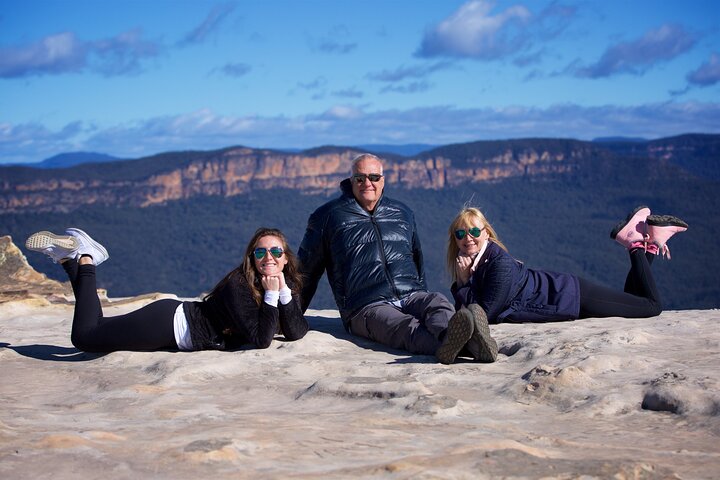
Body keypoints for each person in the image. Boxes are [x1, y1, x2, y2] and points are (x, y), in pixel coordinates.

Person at [298, 153, 497, 365]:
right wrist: (289, 316)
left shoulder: (402, 213)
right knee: (406, 326)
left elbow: (417, 259)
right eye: (360, 178)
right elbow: (305, 271)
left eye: (374, 177)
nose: (368, 183)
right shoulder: (328, 217)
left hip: (411, 293)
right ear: (351, 181)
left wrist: (421, 291)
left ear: (383, 180)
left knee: (437, 303)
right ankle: (468, 346)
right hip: (366, 305)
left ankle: (454, 340)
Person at [25, 226, 308, 353]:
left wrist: (282, 292)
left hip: (171, 325)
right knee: (85, 338)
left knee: (97, 326)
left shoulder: (287, 283)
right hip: (169, 325)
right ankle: (87, 258)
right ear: (252, 256)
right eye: (260, 253)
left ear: (285, 256)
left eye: (275, 251)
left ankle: (68, 259)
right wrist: (271, 295)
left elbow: (295, 331)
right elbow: (261, 339)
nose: (268, 258)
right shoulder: (239, 283)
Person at [448, 206, 688, 338]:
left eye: (474, 232)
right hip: (563, 297)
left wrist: (463, 284)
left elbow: (484, 314)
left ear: (486, 233)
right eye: (460, 234)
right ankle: (653, 242)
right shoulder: (479, 263)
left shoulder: (497, 263)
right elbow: (468, 316)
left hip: (569, 297)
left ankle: (635, 245)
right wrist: (464, 283)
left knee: (650, 307)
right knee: (633, 300)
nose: (467, 238)